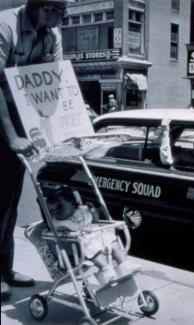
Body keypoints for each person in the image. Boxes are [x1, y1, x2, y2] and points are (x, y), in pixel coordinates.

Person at [0, 0, 68, 300]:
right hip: (2, 116)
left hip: (18, 117)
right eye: (50, 10)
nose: (54, 18)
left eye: (60, 13)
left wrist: (63, 128)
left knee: (10, 201)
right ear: (35, 5)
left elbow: (53, 84)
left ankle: (5, 270)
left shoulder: (52, 35)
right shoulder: (5, 26)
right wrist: (12, 136)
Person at [46, 187, 139, 284]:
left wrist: (93, 210)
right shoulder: (58, 222)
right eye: (52, 211)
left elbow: (95, 220)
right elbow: (59, 232)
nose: (56, 212)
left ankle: (123, 263)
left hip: (97, 235)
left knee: (112, 241)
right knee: (92, 249)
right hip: (82, 244)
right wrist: (64, 232)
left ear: (72, 203)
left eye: (59, 207)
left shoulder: (83, 210)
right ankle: (106, 269)